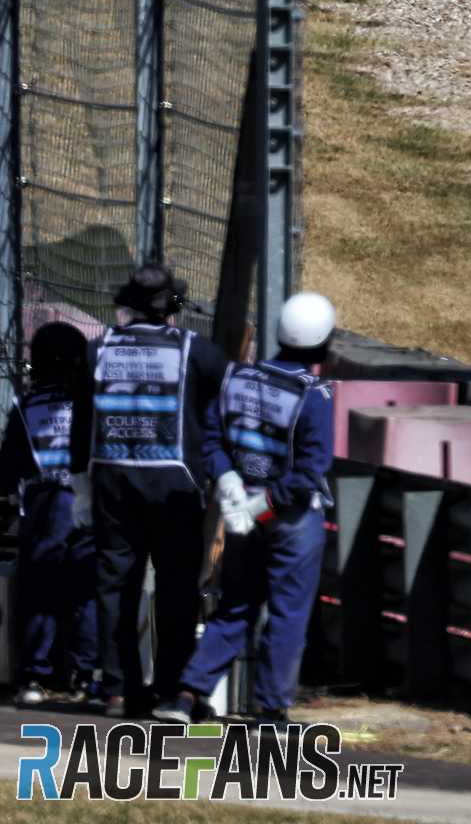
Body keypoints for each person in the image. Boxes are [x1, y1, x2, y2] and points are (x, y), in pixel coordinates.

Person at [158, 292, 337, 727]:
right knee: (288, 613)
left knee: (235, 605)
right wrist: (264, 504)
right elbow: (311, 470)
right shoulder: (314, 395)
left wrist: (229, 483)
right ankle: (271, 709)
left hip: (241, 513)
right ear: (323, 343)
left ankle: (186, 696)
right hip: (289, 516)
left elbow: (212, 439)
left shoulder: (236, 377)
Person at [81, 263, 228, 718]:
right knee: (176, 587)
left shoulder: (97, 349)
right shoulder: (196, 350)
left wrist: (79, 485)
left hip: (112, 478)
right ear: (172, 307)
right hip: (174, 483)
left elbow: (82, 422)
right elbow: (224, 399)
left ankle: (118, 689)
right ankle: (170, 690)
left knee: (115, 585)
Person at [0, 323, 100, 705]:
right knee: (86, 590)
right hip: (88, 498)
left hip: (45, 502)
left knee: (40, 589)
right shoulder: (91, 402)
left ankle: (34, 675)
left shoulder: (26, 404)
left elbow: (9, 465)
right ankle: (84, 674)